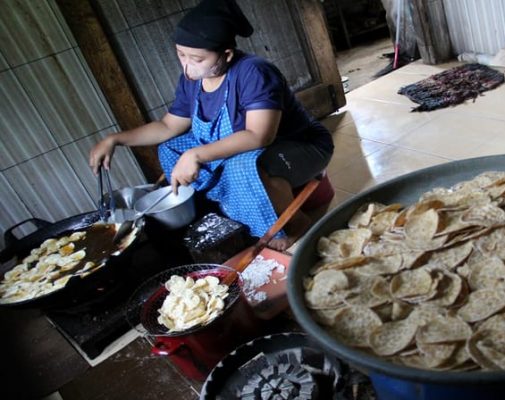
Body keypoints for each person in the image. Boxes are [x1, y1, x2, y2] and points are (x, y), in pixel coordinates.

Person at [89, 0, 334, 250]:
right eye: (180, 54)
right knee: (170, 148)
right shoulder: (193, 78)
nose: (187, 65)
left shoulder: (254, 73)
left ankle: (294, 224)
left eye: (196, 58)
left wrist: (196, 154)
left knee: (245, 165)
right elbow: (167, 126)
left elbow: (259, 136)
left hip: (302, 146)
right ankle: (238, 209)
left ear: (226, 54)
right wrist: (115, 139)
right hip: (255, 148)